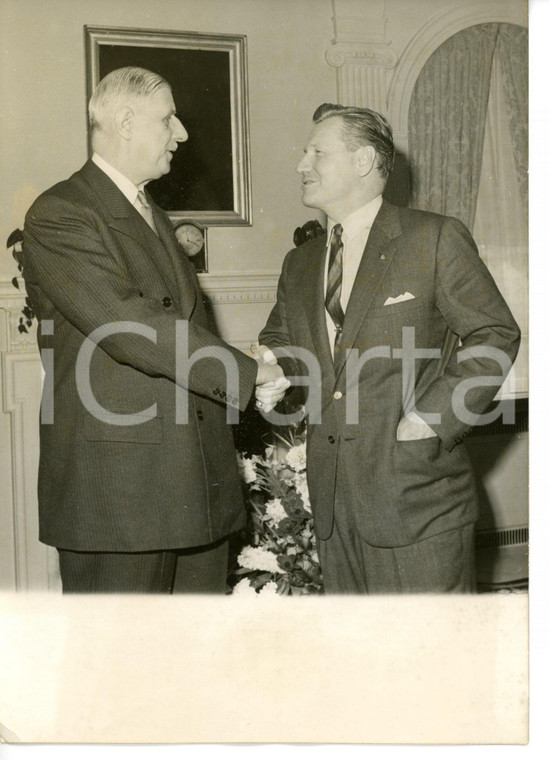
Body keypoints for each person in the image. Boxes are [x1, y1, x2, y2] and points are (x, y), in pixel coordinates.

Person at [22, 67, 288, 594]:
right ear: (125, 122)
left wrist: (250, 375)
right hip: (120, 495)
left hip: (194, 486)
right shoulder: (61, 213)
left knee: (191, 666)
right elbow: (131, 327)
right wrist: (248, 372)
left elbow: (180, 330)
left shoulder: (155, 216)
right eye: (168, 119)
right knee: (121, 669)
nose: (182, 133)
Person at [256, 103, 520, 594]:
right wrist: (274, 369)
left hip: (417, 500)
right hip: (334, 506)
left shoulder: (433, 238)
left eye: (317, 152)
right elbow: (283, 342)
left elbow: (495, 334)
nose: (301, 165)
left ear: (362, 162)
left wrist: (432, 417)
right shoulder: (301, 262)